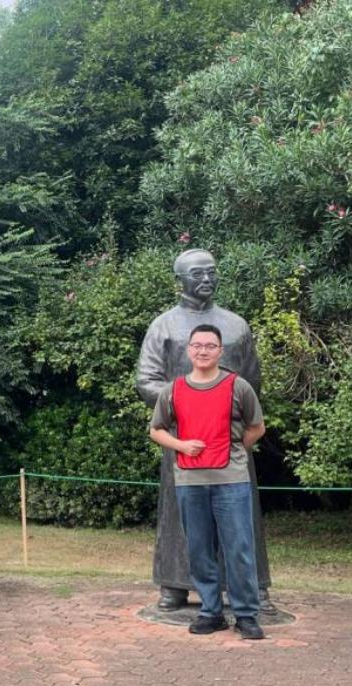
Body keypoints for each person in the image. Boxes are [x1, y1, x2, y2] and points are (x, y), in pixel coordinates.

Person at [136, 248, 273, 612]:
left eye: (211, 272)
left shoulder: (236, 325)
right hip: (183, 438)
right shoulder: (164, 325)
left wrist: (231, 422)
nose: (206, 279)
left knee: (240, 515)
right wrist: (186, 405)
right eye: (197, 274)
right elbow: (146, 380)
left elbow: (252, 382)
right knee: (181, 514)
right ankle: (174, 584)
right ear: (179, 280)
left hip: (230, 440)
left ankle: (254, 587)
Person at [149, 324, 266, 640]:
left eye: (210, 346)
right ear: (189, 350)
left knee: (239, 548)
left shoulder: (238, 386)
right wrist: (181, 445)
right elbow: (156, 430)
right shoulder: (173, 390)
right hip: (189, 481)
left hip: (232, 481)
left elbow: (257, 427)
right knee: (199, 550)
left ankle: (246, 616)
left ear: (220, 351)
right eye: (197, 345)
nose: (203, 351)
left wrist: (233, 449)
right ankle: (211, 612)